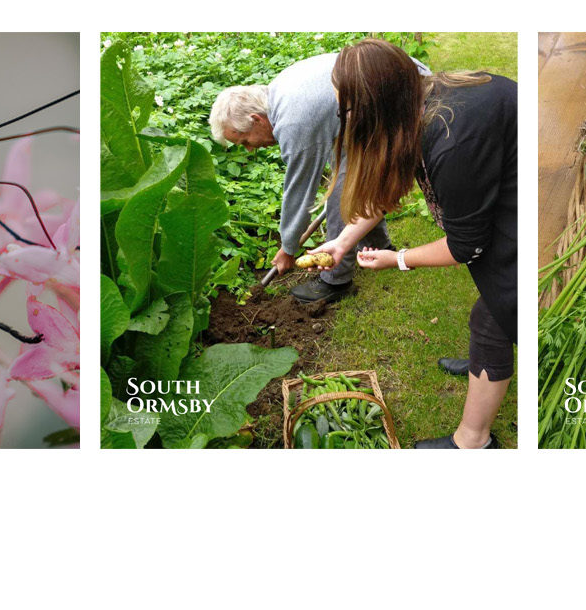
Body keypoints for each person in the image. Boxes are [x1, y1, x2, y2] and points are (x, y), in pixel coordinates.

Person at [306, 39, 516, 449]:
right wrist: (343, 241)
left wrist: (398, 259)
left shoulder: (453, 138)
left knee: (499, 309)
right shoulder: (418, 102)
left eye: (347, 109)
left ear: (377, 104)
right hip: (498, 185)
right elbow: (393, 181)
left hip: (522, 208)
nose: (343, 117)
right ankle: (482, 367)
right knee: (488, 316)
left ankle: (473, 442)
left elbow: (466, 246)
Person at [209, 50, 429, 303]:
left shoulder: (294, 123)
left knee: (343, 193)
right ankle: (379, 247)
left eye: (245, 140)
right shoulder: (279, 93)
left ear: (256, 119)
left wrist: (288, 248)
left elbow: (300, 193)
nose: (249, 148)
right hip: (391, 85)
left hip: (404, 94)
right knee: (349, 180)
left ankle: (336, 280)